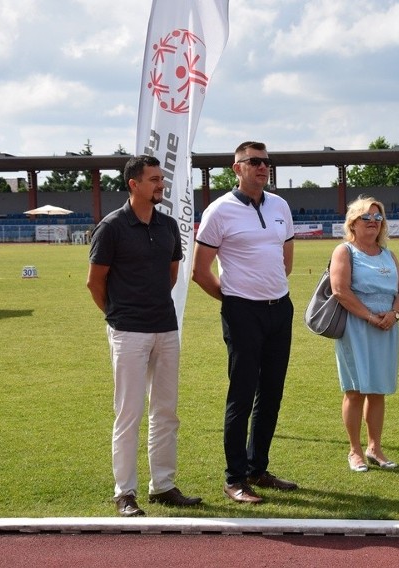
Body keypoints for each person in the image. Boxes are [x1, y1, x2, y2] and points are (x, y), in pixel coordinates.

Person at [87, 155, 202, 517]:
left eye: (161, 179)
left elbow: (170, 274)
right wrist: (118, 316)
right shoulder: (111, 227)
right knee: (129, 413)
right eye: (153, 179)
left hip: (166, 329)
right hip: (128, 332)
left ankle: (163, 485)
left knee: (166, 411)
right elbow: (95, 281)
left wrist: (151, 309)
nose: (160, 185)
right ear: (133, 184)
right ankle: (125, 492)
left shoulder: (168, 225)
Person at [192, 141, 297, 504]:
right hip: (243, 312)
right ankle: (234, 478)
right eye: (253, 162)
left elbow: (286, 260)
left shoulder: (280, 205)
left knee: (271, 394)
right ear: (236, 168)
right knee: (241, 395)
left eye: (266, 161)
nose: (262, 167)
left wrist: (269, 293)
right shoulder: (219, 211)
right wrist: (234, 299)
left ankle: (258, 467)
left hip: (279, 309)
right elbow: (199, 271)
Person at [329, 196, 399, 472]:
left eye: (378, 218)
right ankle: (355, 450)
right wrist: (370, 317)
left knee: (378, 391)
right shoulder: (345, 251)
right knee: (355, 390)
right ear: (353, 222)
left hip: (386, 328)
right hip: (356, 328)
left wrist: (394, 314)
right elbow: (340, 291)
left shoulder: (388, 254)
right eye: (367, 218)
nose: (374, 223)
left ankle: (375, 447)